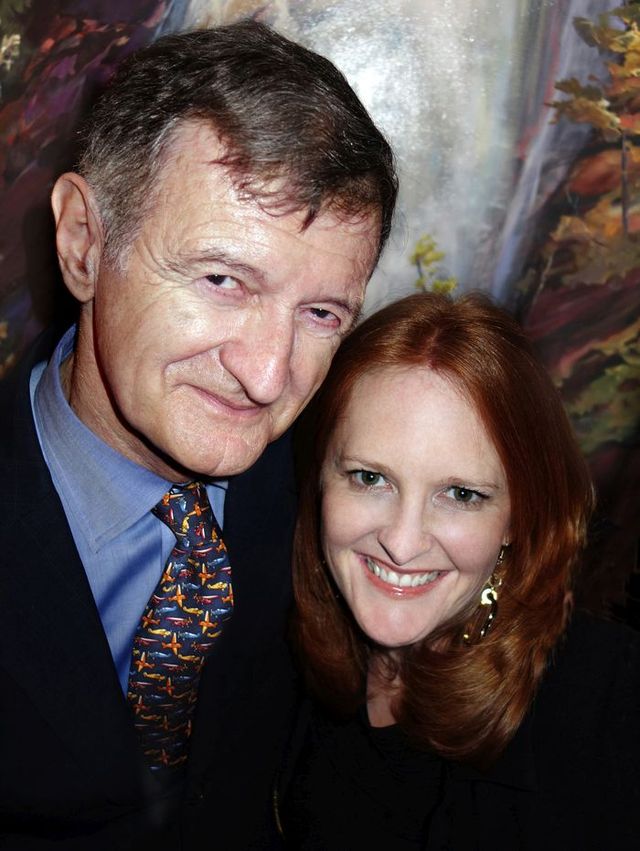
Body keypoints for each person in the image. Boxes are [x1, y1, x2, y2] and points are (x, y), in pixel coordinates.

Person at [0, 20, 397, 850]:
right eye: (222, 279)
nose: (267, 374)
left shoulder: (334, 501)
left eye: (322, 313)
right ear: (84, 243)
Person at [278, 291, 640, 850]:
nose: (401, 544)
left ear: (519, 517)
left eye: (462, 494)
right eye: (370, 478)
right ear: (319, 478)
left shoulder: (610, 704)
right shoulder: (270, 637)